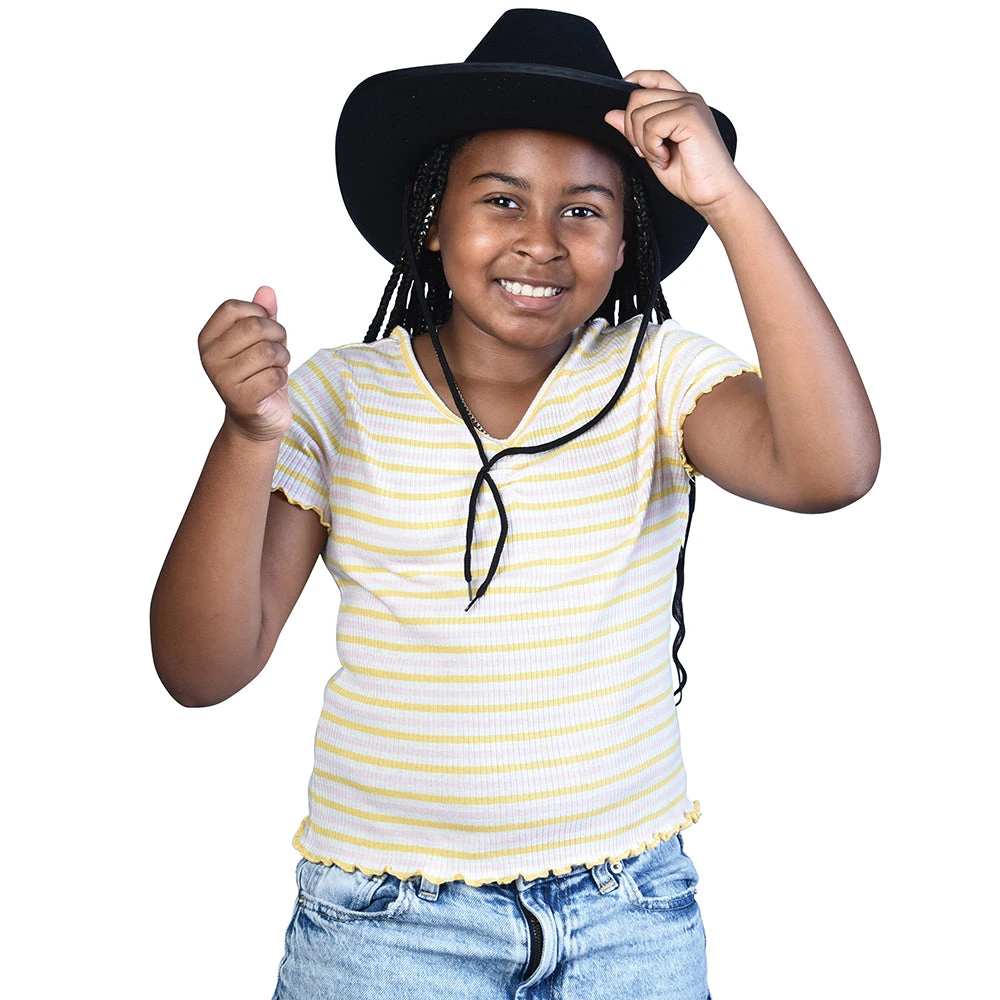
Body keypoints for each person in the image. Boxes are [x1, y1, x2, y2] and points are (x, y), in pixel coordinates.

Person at [150, 10, 879, 999]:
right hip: (387, 928)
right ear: (432, 219)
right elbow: (201, 669)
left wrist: (728, 202)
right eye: (502, 200)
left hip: (629, 915)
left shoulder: (657, 377)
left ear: (626, 242)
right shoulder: (337, 396)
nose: (540, 241)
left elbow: (833, 470)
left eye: (583, 210)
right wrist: (246, 435)